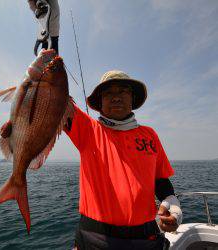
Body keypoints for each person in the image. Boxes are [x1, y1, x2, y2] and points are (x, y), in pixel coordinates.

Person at [63, 70, 183, 250]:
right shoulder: (86, 128)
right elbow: (53, 97)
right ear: (100, 102)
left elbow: (160, 179)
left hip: (146, 237)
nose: (116, 97)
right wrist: (51, 49)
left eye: (123, 91)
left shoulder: (150, 135)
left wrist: (173, 204)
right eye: (108, 93)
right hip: (95, 237)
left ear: (132, 98)